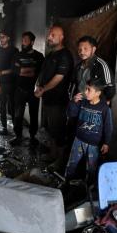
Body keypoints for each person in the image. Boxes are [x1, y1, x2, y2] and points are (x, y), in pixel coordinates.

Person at [35, 25, 74, 170]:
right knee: (51, 130)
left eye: (53, 35)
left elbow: (59, 77)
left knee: (59, 131)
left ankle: (60, 161)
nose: (49, 37)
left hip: (58, 100)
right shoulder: (51, 54)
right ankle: (53, 154)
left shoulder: (65, 55)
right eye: (49, 35)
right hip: (47, 98)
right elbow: (43, 74)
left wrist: (43, 89)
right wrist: (38, 86)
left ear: (61, 37)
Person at [65, 79, 113, 183]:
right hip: (79, 140)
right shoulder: (82, 102)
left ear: (98, 93)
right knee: (72, 164)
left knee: (91, 168)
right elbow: (71, 114)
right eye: (86, 89)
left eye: (89, 90)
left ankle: (88, 188)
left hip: (94, 145)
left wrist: (106, 143)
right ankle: (66, 183)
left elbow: (108, 127)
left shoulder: (105, 109)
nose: (85, 92)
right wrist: (74, 102)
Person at [10, 31, 44, 146]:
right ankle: (18, 136)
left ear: (32, 42)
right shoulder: (17, 55)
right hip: (19, 89)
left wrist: (23, 69)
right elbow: (16, 71)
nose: (23, 42)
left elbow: (40, 73)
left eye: (26, 40)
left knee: (33, 114)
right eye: (22, 40)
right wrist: (30, 70)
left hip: (33, 91)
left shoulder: (39, 56)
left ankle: (33, 137)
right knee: (18, 115)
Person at [70, 35, 115, 103]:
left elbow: (110, 88)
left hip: (93, 105)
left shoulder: (101, 65)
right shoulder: (78, 67)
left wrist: (100, 104)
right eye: (79, 49)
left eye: (85, 49)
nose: (82, 52)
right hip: (78, 103)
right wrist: (73, 99)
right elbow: (72, 85)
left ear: (93, 49)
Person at [0, 31, 18, 135]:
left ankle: (16, 128)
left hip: (13, 83)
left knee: (13, 106)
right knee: (2, 106)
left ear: (8, 38)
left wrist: (2, 72)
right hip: (2, 83)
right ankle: (4, 128)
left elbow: (15, 69)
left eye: (3, 37)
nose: (1, 39)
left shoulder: (14, 51)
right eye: (0, 37)